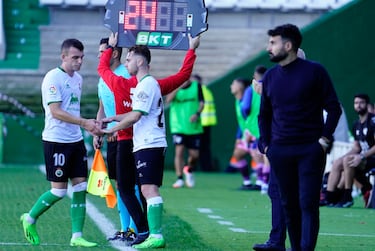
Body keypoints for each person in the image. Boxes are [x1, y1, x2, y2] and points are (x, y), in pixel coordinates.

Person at [97, 32, 200, 247]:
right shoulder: (151, 84)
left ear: (140, 60)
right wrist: (191, 50)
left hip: (139, 141)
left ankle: (147, 232)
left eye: (129, 59)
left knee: (133, 189)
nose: (126, 62)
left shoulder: (132, 84)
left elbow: (135, 114)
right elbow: (183, 75)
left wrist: (110, 130)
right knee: (142, 188)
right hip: (140, 142)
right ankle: (146, 231)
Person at [258, 24, 342, 251]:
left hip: (309, 150)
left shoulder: (315, 71)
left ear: (288, 45)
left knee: (308, 203)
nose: (269, 48)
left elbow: (334, 108)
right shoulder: (270, 76)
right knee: (288, 205)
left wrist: (323, 140)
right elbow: (264, 115)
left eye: (273, 43)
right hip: (280, 151)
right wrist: (266, 146)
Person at [20, 38, 102, 247]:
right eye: (75, 57)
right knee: (58, 191)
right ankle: (29, 219)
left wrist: (86, 127)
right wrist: (85, 122)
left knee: (81, 186)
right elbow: (55, 111)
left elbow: (72, 109)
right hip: (56, 140)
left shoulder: (79, 79)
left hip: (75, 141)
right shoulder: (53, 78)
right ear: (63, 56)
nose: (79, 61)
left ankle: (77, 237)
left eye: (82, 57)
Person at [94, 37, 138, 242]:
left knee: (130, 184)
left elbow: (131, 109)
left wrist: (116, 129)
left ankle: (136, 228)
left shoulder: (125, 74)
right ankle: (124, 228)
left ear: (115, 53)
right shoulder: (103, 77)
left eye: (103, 51)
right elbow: (102, 107)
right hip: (112, 136)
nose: (100, 56)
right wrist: (98, 130)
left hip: (127, 137)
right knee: (120, 183)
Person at [324, 94, 375, 208]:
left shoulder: (372, 121)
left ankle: (347, 197)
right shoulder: (356, 124)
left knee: (348, 160)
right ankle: (329, 198)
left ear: (367, 105)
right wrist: (342, 158)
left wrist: (361, 156)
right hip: (364, 158)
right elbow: (357, 147)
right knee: (338, 162)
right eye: (356, 103)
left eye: (361, 103)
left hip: (371, 158)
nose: (358, 105)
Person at [166, 75, 204, 188]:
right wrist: (178, 87)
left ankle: (188, 169)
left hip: (193, 126)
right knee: (179, 151)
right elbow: (168, 100)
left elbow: (202, 103)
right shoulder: (174, 86)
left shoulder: (197, 86)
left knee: (194, 155)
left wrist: (197, 114)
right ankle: (179, 178)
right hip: (178, 126)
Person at [196, 74, 218, 172]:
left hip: (201, 123)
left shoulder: (199, 91)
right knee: (205, 147)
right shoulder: (207, 90)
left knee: (200, 147)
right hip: (208, 122)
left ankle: (203, 167)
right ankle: (206, 167)